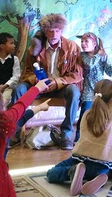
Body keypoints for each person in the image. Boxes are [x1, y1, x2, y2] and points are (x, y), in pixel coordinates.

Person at [46, 79, 112, 195]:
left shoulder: (86, 113)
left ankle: (72, 171)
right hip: (102, 165)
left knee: (51, 173)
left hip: (80, 159)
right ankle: (97, 178)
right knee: (105, 172)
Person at [14, 14, 83, 150]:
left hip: (61, 87)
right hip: (38, 87)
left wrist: (57, 82)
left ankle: (66, 135)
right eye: (51, 31)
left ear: (61, 30)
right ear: (45, 32)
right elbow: (26, 73)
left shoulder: (72, 47)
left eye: (57, 30)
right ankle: (15, 133)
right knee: (19, 89)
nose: (54, 34)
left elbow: (77, 74)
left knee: (74, 91)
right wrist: (38, 82)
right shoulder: (34, 49)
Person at [76, 31, 112, 142]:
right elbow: (90, 63)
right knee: (85, 114)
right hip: (87, 90)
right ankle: (78, 137)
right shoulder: (82, 56)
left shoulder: (102, 56)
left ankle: (102, 136)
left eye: (86, 41)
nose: (83, 44)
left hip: (100, 90)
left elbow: (110, 72)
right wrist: (98, 54)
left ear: (94, 43)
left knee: (104, 114)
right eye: (82, 41)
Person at [0, 32, 21, 109]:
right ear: (2, 46)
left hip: (9, 88)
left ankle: (2, 118)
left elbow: (16, 76)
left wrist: (4, 86)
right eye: (11, 43)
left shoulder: (15, 59)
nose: (14, 46)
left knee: (3, 100)